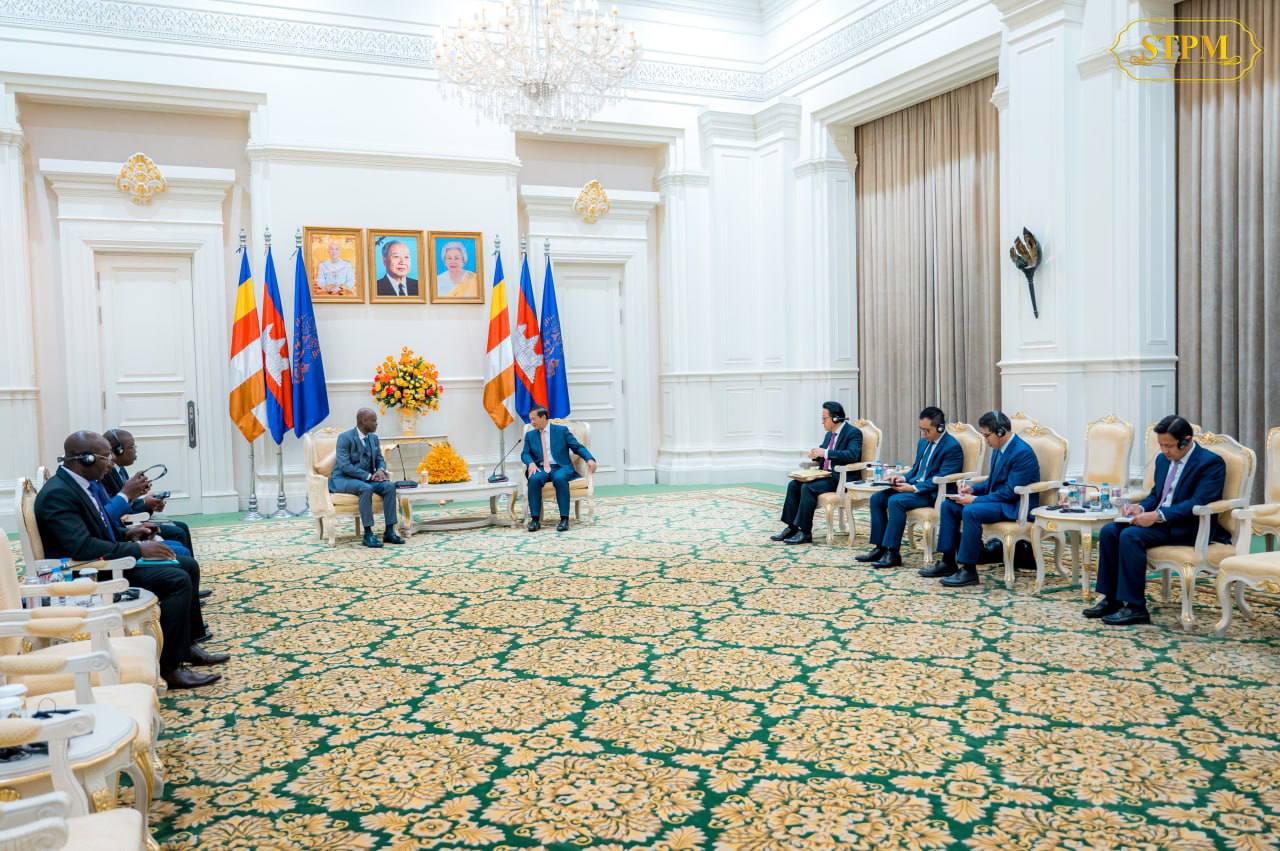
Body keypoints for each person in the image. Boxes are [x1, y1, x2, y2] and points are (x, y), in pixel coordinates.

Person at [33, 431, 226, 689]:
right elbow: (82, 546)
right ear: (85, 459)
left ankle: (186, 645)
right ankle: (170, 667)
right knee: (177, 579)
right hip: (88, 574)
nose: (110, 464)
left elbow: (96, 529)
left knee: (187, 566)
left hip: (101, 561)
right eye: (105, 458)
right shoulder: (58, 494)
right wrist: (137, 549)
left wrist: (129, 533)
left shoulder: (80, 484)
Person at [1087, 415, 1226, 626]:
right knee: (1109, 531)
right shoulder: (1162, 460)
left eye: (1169, 446)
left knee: (1131, 536)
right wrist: (1141, 508)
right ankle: (1112, 599)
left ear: (1186, 441)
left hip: (1189, 527)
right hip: (1160, 522)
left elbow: (1199, 502)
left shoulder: (1210, 463)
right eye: (1161, 445)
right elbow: (1156, 495)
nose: (1164, 450)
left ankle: (1136, 608)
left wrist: (1158, 516)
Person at [924, 410, 1040, 587]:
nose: (985, 440)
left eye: (987, 435)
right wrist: (972, 489)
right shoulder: (999, 448)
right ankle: (948, 561)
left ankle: (968, 570)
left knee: (971, 511)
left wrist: (975, 500)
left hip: (1014, 506)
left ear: (1000, 432)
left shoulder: (1022, 453)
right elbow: (992, 482)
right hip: (999, 501)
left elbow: (1010, 492)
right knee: (949, 505)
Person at [856, 406, 964, 568]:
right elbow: (916, 470)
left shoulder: (952, 447)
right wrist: (901, 478)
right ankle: (880, 548)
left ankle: (892, 553)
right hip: (915, 487)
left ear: (940, 428)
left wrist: (913, 488)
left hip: (933, 493)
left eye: (927, 430)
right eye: (922, 430)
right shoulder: (923, 442)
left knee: (896, 501)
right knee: (877, 498)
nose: (924, 434)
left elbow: (941, 478)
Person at [770, 402, 863, 545]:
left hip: (841, 478)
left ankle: (805, 532)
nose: (822, 422)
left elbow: (852, 455)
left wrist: (825, 453)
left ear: (835, 419)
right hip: (826, 475)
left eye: (824, 418)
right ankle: (792, 527)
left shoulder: (853, 433)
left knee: (808, 488)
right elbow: (823, 455)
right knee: (794, 485)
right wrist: (814, 457)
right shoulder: (829, 435)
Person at [101, 428, 199, 562]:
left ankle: (186, 564)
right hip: (124, 530)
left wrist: (142, 499)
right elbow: (114, 513)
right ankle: (183, 564)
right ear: (118, 451)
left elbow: (125, 503)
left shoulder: (120, 470)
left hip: (127, 526)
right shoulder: (106, 475)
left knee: (182, 527)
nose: (135, 450)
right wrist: (143, 503)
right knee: (179, 533)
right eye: (132, 447)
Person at [329, 408, 404, 548]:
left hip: (367, 479)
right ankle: (368, 534)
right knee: (365, 488)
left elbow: (380, 459)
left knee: (389, 486)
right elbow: (344, 466)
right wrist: (369, 476)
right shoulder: (345, 438)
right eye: (374, 421)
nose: (376, 424)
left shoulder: (373, 438)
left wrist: (380, 470)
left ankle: (389, 531)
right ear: (363, 421)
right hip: (344, 479)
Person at [522, 406, 596, 532]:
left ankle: (564, 519)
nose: (531, 422)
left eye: (533, 419)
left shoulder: (561, 431)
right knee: (534, 479)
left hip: (561, 467)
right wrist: (530, 463)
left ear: (543, 417)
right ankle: (535, 520)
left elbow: (577, 447)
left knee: (560, 478)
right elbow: (525, 454)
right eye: (530, 419)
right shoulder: (530, 435)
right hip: (541, 468)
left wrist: (589, 459)